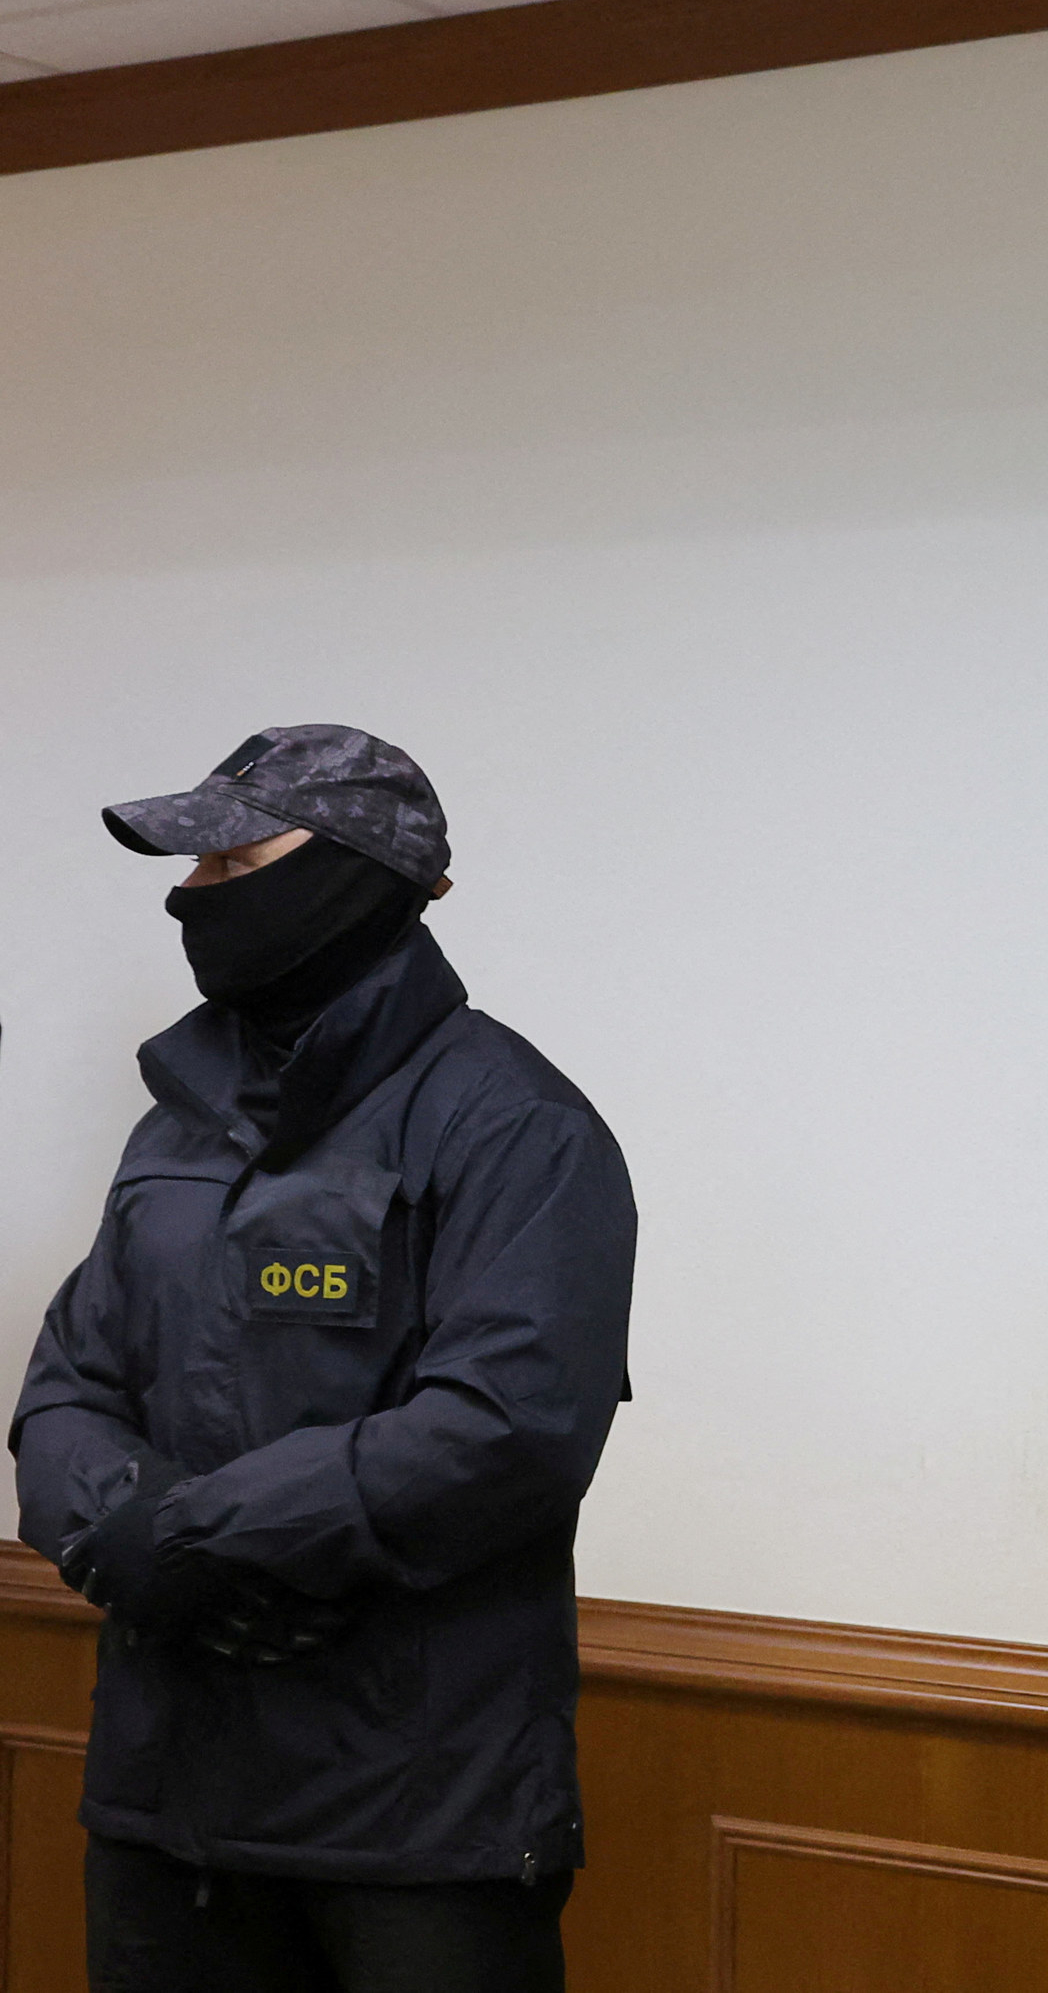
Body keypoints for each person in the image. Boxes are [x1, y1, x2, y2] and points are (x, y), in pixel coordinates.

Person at [12, 726, 636, 1992]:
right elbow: (67, 1388)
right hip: (166, 1796)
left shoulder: (517, 1125)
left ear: (356, 876)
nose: (190, 897)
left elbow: (506, 1428)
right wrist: (124, 1527)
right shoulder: (173, 1127)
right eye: (191, 869)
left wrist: (197, 1535)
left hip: (416, 1820)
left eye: (233, 864)